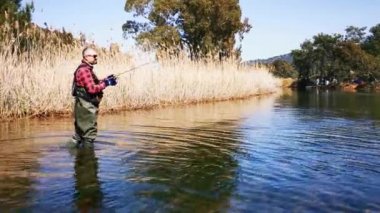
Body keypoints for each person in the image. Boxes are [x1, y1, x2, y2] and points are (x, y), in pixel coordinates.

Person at [70, 47, 117, 147]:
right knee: (88, 135)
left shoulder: (86, 69)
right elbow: (92, 89)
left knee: (79, 134)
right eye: (94, 56)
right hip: (86, 108)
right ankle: (89, 159)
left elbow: (92, 83)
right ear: (86, 57)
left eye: (96, 56)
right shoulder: (84, 70)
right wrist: (107, 83)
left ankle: (76, 156)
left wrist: (106, 79)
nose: (96, 58)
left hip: (82, 106)